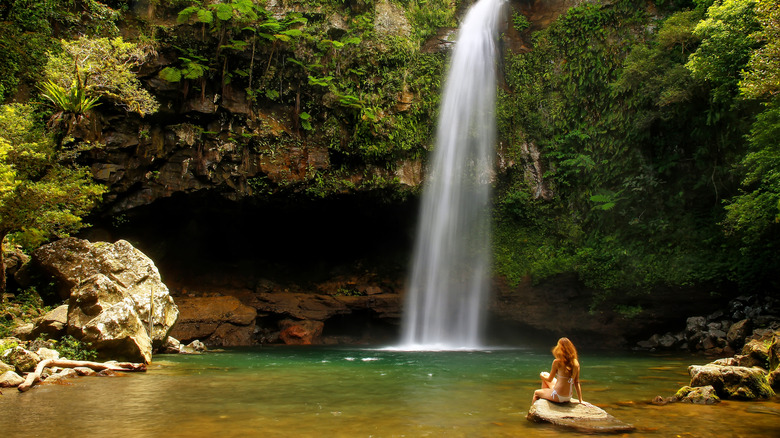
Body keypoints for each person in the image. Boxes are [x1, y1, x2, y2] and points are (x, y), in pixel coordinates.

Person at [532, 337, 586, 405]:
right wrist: (580, 400)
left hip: (558, 396)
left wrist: (541, 376)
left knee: (536, 393)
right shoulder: (576, 363)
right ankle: (546, 396)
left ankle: (540, 405)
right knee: (545, 373)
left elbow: (549, 379)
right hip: (568, 396)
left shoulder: (557, 362)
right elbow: (576, 382)